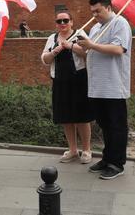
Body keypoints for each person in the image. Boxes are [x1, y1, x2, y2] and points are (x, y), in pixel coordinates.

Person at [75, 0, 132, 180]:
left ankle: (117, 163)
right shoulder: (95, 28)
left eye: (98, 11)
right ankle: (107, 159)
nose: (94, 15)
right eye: (92, 12)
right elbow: (90, 52)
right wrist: (76, 46)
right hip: (97, 86)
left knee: (116, 126)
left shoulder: (120, 23)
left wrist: (91, 44)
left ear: (108, 7)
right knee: (105, 125)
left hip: (114, 86)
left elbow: (118, 49)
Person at [41, 10, 92, 164]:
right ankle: (72, 150)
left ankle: (87, 150)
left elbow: (89, 53)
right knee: (66, 117)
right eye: (59, 21)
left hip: (79, 80)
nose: (62, 24)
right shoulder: (52, 38)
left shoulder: (80, 34)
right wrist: (53, 53)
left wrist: (71, 46)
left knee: (82, 117)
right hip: (60, 81)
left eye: (65, 20)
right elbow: (45, 59)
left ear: (71, 21)